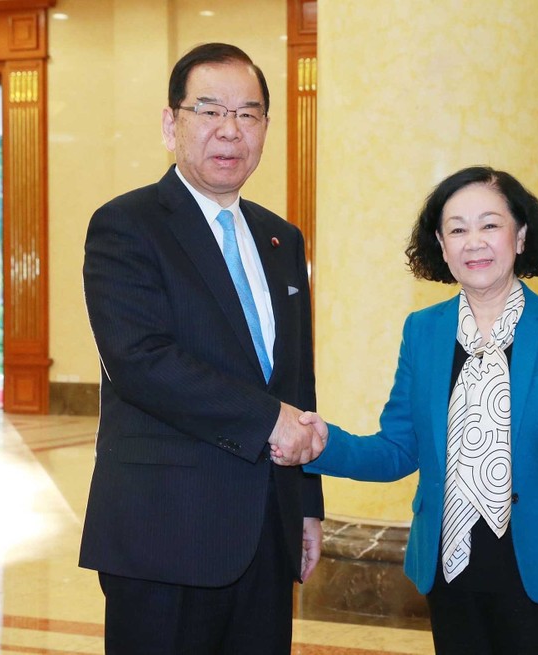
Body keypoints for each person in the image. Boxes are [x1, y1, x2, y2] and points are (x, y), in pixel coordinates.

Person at [281, 166, 538, 654]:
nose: (473, 242)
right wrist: (323, 444)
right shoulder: (424, 332)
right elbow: (398, 450)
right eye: (457, 229)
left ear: (521, 236)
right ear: (441, 246)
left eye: (490, 225)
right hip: (451, 570)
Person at [79, 43, 324, 654]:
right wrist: (269, 420)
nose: (229, 131)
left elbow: (296, 381)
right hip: (166, 530)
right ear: (171, 123)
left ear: (266, 127)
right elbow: (140, 360)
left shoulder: (281, 238)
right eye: (209, 110)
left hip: (267, 527)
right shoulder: (126, 225)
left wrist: (307, 502)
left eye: (248, 114)